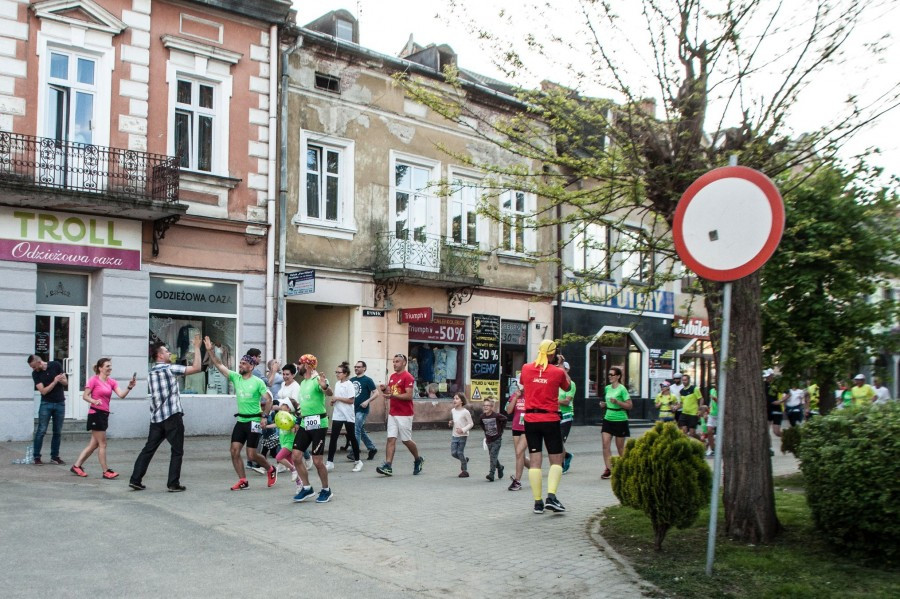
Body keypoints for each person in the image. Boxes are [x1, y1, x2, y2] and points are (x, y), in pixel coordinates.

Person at [129, 335, 202, 492]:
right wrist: (196, 347)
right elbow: (197, 368)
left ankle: (135, 479)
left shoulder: (151, 372)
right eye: (166, 351)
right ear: (160, 355)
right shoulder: (170, 369)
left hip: (156, 417)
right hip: (172, 416)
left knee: (148, 449)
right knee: (177, 451)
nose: (169, 353)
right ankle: (173, 483)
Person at [205, 338, 277, 491]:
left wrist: (264, 416)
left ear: (251, 366)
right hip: (241, 420)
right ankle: (243, 480)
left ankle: (270, 469)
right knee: (234, 451)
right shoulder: (236, 378)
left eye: (243, 364)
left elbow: (269, 400)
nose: (240, 365)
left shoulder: (258, 382)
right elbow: (219, 365)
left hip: (254, 421)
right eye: (240, 363)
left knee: (251, 455)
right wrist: (210, 350)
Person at [520, 339, 570, 514]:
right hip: (550, 418)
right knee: (556, 459)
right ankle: (551, 497)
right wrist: (561, 365)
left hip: (531, 419)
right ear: (553, 354)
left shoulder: (526, 368)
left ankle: (537, 503)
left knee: (535, 460)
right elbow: (568, 386)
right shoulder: (557, 372)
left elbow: (524, 383)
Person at [70, 358, 136, 479]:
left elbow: (121, 395)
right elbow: (85, 396)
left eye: (110, 366)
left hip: (104, 414)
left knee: (93, 445)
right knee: (103, 444)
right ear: (100, 368)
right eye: (107, 366)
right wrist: (94, 401)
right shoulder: (93, 380)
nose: (110, 368)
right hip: (95, 413)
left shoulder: (112, 382)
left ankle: (76, 466)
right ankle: (106, 471)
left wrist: (129, 387)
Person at [291, 354, 333, 503]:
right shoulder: (303, 383)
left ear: (307, 365)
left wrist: (325, 386)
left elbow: (329, 392)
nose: (298, 367)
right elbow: (303, 405)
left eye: (300, 364)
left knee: (317, 461)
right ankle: (307, 488)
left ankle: (326, 490)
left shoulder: (318, 380)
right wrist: (297, 420)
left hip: (319, 423)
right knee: (295, 456)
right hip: (305, 423)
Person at [376, 354, 425, 477]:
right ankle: (388, 466)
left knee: (406, 440)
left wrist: (392, 396)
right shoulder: (392, 376)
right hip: (393, 412)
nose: (394, 364)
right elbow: (392, 392)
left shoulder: (408, 377)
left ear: (404, 363)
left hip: (405, 414)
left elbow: (408, 396)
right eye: (393, 361)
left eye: (397, 361)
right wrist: (385, 389)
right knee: (390, 438)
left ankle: (418, 459)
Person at [28, 355, 68, 465]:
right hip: (46, 403)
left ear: (39, 362)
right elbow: (44, 391)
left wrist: (61, 380)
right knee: (41, 430)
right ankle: (36, 457)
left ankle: (55, 456)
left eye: (33, 366)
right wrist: (55, 381)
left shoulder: (56, 365)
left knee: (57, 431)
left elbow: (65, 382)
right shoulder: (36, 374)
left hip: (60, 402)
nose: (33, 369)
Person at [325, 362, 364, 473]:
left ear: (345, 373)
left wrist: (338, 398)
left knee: (352, 437)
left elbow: (351, 400)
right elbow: (337, 398)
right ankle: (330, 462)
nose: (337, 374)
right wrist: (333, 401)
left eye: (339, 372)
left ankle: (358, 461)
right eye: (336, 372)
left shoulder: (349, 384)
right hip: (338, 414)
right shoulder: (337, 384)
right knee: (333, 438)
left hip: (348, 415)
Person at [600, 366, 633, 480]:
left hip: (620, 419)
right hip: (608, 418)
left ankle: (625, 468)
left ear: (618, 376)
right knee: (605, 445)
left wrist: (618, 401)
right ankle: (609, 469)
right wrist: (604, 404)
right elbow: (607, 402)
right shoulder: (607, 388)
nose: (610, 377)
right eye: (609, 374)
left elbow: (629, 405)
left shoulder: (622, 389)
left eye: (612, 375)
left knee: (620, 448)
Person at [350, 361, 378, 461]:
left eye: (359, 367)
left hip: (362, 410)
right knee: (360, 430)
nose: (356, 368)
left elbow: (376, 393)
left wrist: (367, 401)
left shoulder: (368, 380)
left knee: (356, 430)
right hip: (353, 409)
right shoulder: (352, 380)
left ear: (364, 368)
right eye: (355, 367)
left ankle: (354, 452)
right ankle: (372, 448)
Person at [505, 385, 530, 491]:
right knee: (520, 455)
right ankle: (535, 469)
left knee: (519, 453)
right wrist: (515, 397)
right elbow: (508, 411)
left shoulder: (531, 394)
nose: (521, 387)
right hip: (516, 427)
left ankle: (517, 481)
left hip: (528, 427)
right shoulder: (515, 395)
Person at [268, 403, 298, 481]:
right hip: (283, 442)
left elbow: (297, 427)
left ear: (289, 408)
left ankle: (294, 470)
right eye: (280, 409)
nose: (281, 409)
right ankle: (300, 483)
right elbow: (277, 425)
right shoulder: (281, 418)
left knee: (279, 457)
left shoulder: (292, 418)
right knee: (291, 463)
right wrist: (266, 426)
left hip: (290, 442)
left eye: (283, 407)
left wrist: (294, 429)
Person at [480, 398, 507, 482]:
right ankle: (500, 467)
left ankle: (491, 474)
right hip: (489, 439)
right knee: (493, 456)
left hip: (497, 439)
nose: (485, 407)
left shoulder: (496, 415)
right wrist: (486, 433)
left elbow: (505, 419)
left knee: (492, 456)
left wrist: (501, 430)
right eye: (484, 405)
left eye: (487, 405)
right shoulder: (482, 417)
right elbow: (483, 426)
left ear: (491, 407)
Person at [449, 392, 474, 477]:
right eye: (454, 398)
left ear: (462, 401)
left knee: (459, 452)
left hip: (463, 436)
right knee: (453, 453)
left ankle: (464, 471)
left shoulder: (465, 412)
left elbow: (471, 424)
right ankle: (464, 460)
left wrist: (463, 430)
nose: (454, 400)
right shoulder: (453, 411)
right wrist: (452, 423)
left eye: (457, 398)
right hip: (454, 435)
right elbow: (456, 421)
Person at [558, 361, 576, 473]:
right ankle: (567, 455)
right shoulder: (557, 382)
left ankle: (561, 465)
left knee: (560, 441)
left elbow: (567, 401)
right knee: (555, 441)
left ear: (567, 370)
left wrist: (554, 400)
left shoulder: (571, 384)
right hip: (555, 414)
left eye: (563, 368)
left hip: (566, 415)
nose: (561, 370)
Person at [676, 373, 703, 440]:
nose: (684, 381)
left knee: (692, 434)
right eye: (683, 380)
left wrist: (700, 410)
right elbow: (682, 404)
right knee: (684, 431)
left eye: (685, 380)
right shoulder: (681, 391)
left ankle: (702, 440)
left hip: (693, 413)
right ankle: (688, 446)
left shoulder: (694, 389)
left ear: (689, 380)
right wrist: (676, 407)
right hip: (684, 413)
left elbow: (701, 399)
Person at [763, 369, 782, 438]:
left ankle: (788, 438)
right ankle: (768, 446)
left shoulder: (777, 384)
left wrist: (781, 401)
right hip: (767, 409)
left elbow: (788, 393)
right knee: (765, 431)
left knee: (776, 432)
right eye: (766, 377)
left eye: (768, 376)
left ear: (772, 375)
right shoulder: (763, 384)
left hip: (776, 409)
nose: (767, 378)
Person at [705, 385, 718, 457]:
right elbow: (711, 402)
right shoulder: (712, 390)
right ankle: (713, 449)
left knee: (719, 433)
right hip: (712, 414)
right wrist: (708, 411)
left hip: (720, 414)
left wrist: (715, 398)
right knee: (709, 431)